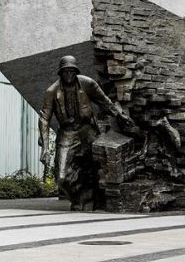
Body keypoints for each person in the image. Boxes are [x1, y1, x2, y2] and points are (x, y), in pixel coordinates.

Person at [39, 55, 129, 210]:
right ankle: (79, 197)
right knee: (61, 177)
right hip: (67, 133)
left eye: (72, 71)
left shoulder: (87, 83)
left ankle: (92, 200)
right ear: (60, 73)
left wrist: (120, 115)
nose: (69, 75)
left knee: (94, 168)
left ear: (76, 71)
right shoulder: (52, 91)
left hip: (88, 130)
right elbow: (44, 119)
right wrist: (45, 148)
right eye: (65, 71)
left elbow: (104, 101)